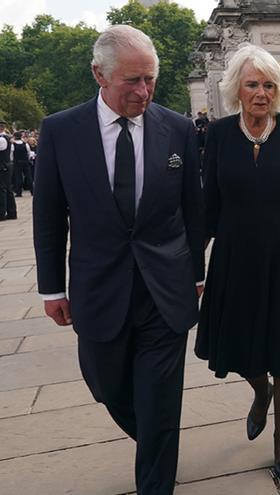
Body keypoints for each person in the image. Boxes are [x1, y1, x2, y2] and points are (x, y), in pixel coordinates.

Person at [32, 25, 204, 494]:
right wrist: (51, 288)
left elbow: (194, 210)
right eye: (132, 80)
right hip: (98, 288)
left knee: (161, 401)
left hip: (164, 290)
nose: (144, 91)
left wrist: (197, 274)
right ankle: (155, 438)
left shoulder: (179, 129)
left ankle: (156, 474)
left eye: (149, 79)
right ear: (99, 75)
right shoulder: (61, 131)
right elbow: (48, 217)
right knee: (107, 385)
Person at [195, 43, 280, 482]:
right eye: (252, 84)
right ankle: (261, 392)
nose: (260, 92)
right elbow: (208, 202)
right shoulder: (217, 134)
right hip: (235, 257)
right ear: (237, 88)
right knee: (242, 344)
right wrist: (194, 262)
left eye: (269, 85)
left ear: (278, 91)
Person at [0, 122, 15, 220]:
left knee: (2, 190)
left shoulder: (2, 139)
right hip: (7, 165)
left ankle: (2, 213)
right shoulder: (7, 139)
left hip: (2, 166)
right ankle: (11, 212)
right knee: (8, 190)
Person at [11, 131, 33, 196]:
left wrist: (12, 160)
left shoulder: (13, 145)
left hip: (17, 162)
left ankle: (18, 192)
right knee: (28, 176)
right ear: (21, 136)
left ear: (14, 137)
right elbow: (28, 153)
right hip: (25, 162)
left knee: (18, 177)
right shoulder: (25, 144)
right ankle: (32, 191)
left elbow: (11, 155)